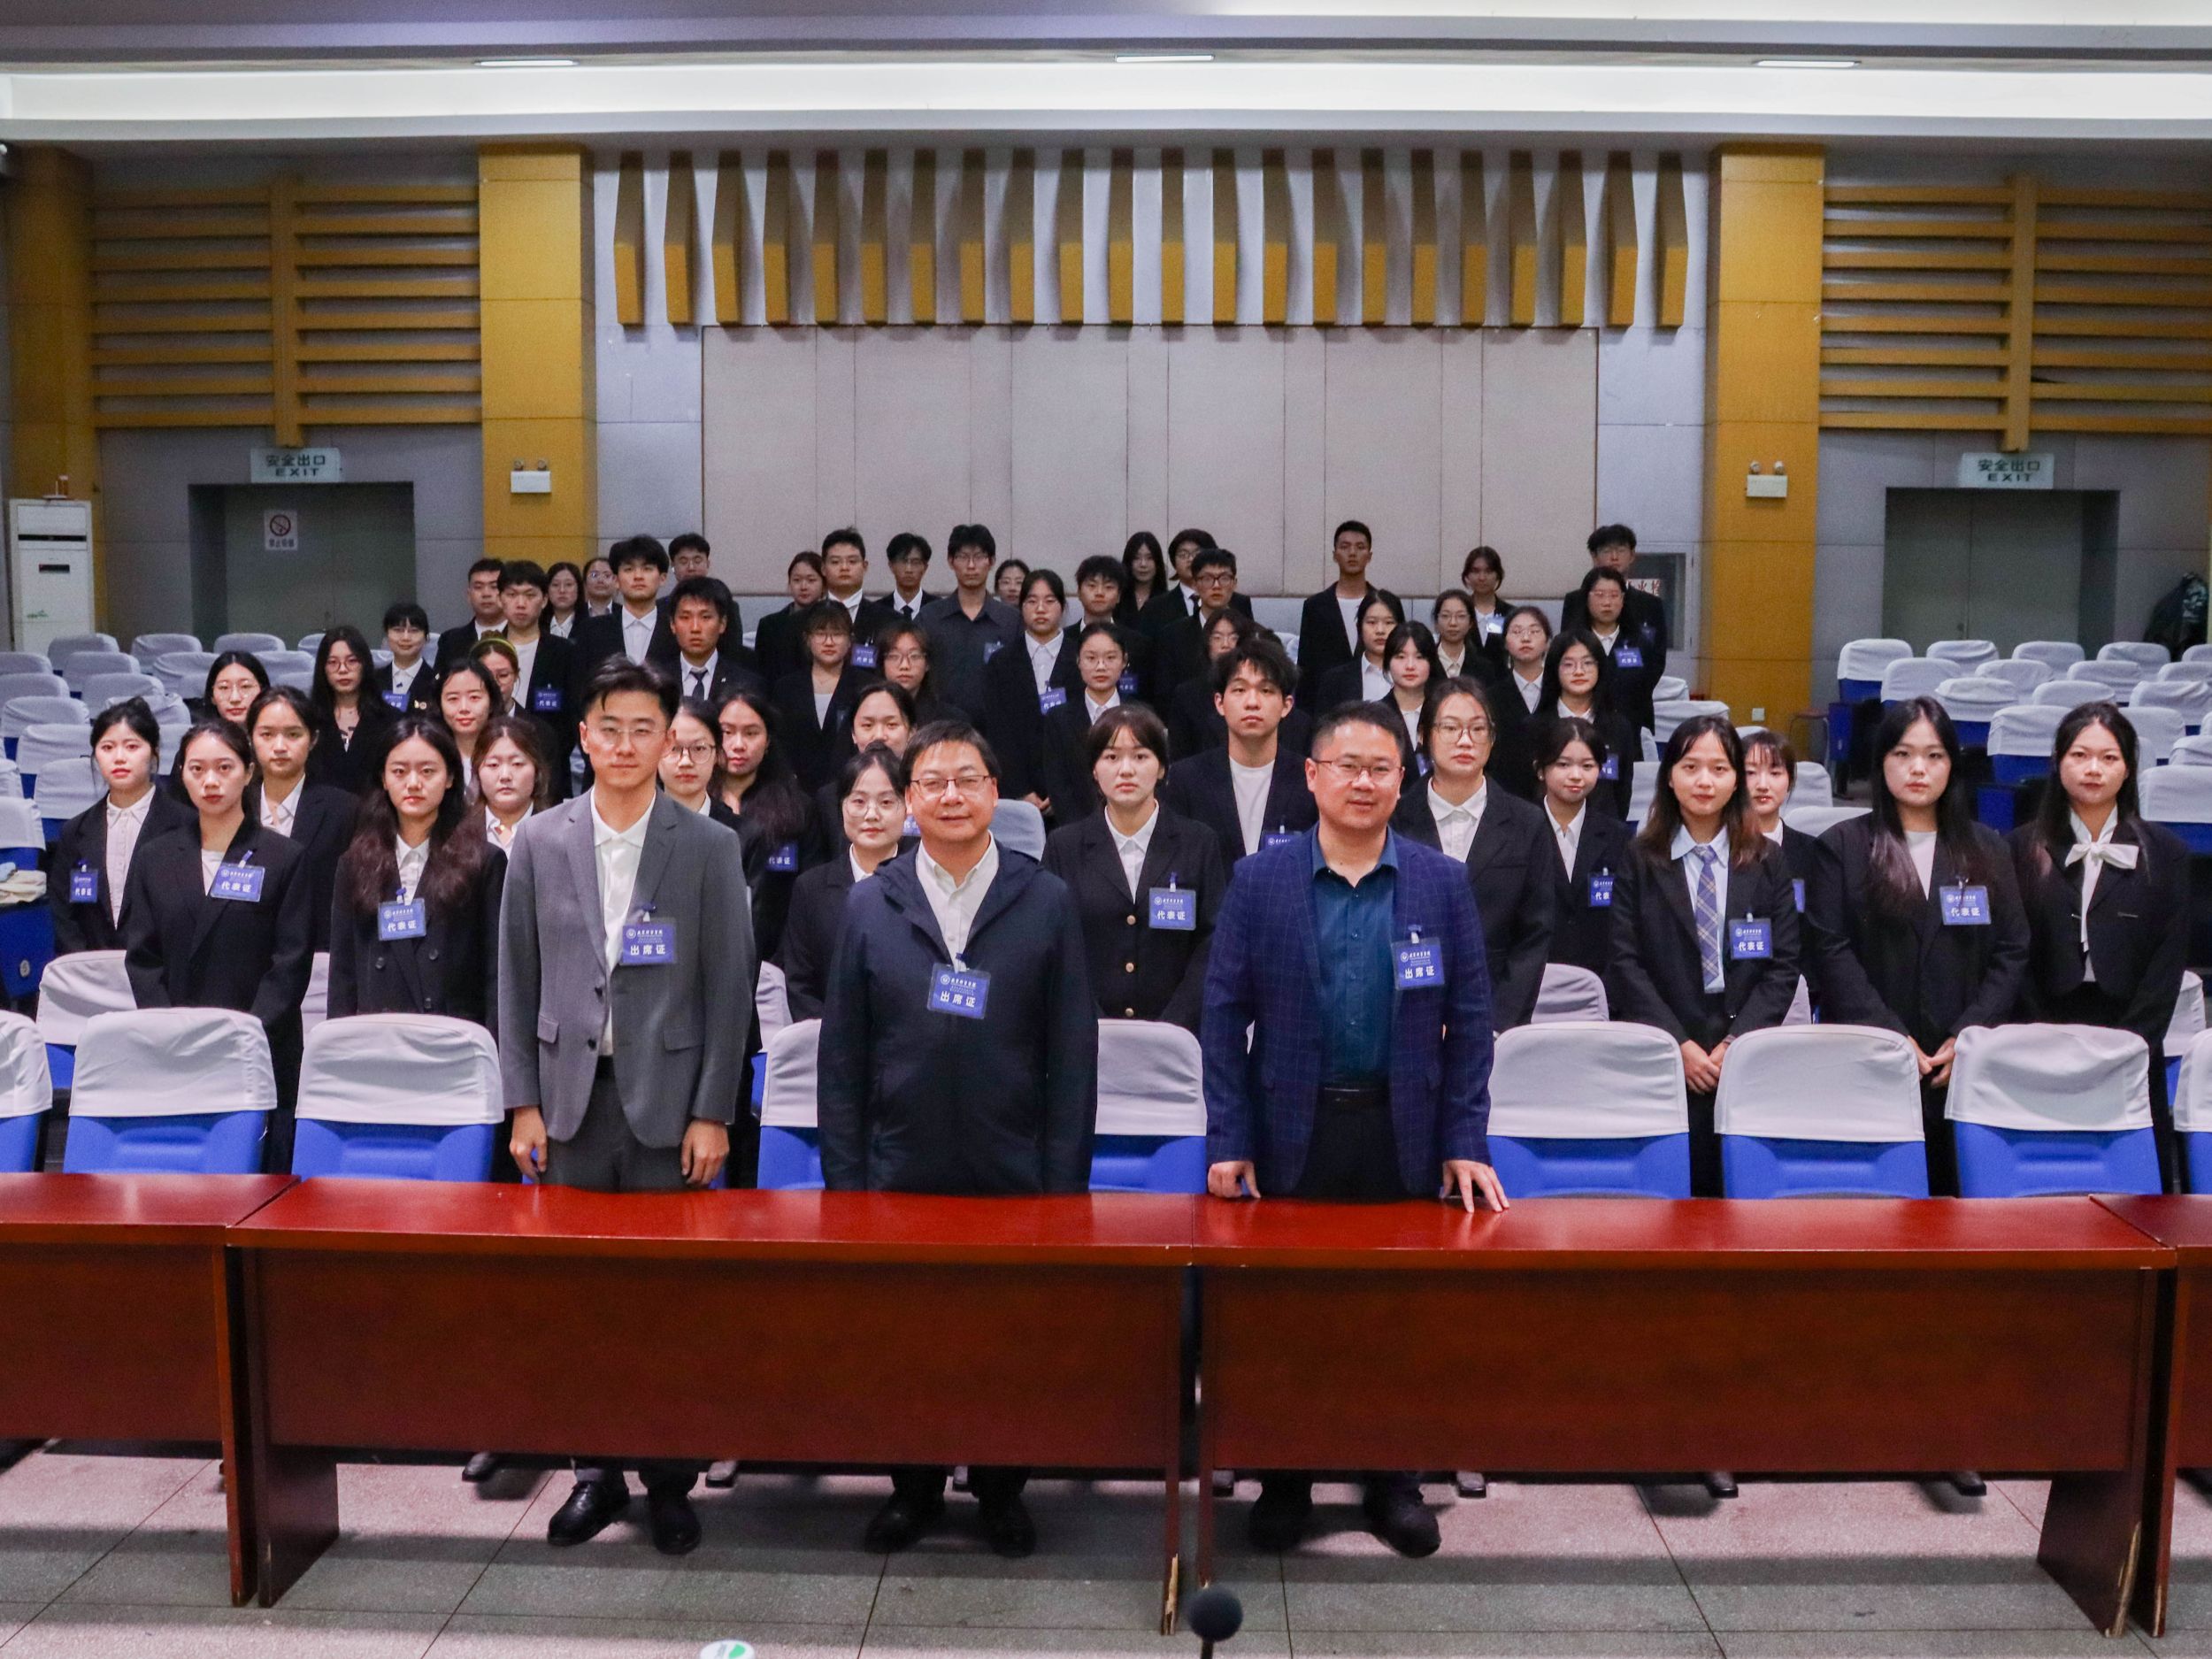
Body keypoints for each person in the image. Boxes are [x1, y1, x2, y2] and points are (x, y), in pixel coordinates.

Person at [1201, 702, 1504, 1558]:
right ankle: (1284, 1479)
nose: (1363, 782)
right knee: (1285, 1314)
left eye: (1380, 768)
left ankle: (1394, 1479)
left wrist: (1464, 1139)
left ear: (1401, 781)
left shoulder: (1440, 881)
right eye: (1347, 766)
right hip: (1288, 1130)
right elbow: (1221, 1017)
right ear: (1312, 776)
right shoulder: (1261, 879)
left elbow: (1470, 1022)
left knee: (1395, 1314)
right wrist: (1229, 1137)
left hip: (1400, 1129)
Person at [818, 718, 1098, 1559]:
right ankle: (912, 1487)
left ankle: (1003, 1488)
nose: (950, 796)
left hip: (1014, 1167)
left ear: (995, 793)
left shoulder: (1044, 899)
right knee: (905, 1338)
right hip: (900, 1165)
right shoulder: (872, 901)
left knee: (1008, 1338)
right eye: (933, 782)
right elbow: (843, 1055)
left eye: (968, 780)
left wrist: (1063, 1185)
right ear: (909, 800)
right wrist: (847, 1184)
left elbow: (1072, 1053)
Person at [500, 659, 753, 1558]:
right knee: (581, 1300)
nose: (626, 744)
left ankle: (670, 1479)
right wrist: (522, 1101)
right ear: (584, 736)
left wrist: (714, 1110)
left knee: (669, 1302)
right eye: (610, 727)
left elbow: (729, 987)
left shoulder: (708, 844)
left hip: (670, 1110)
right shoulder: (539, 840)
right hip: (569, 1107)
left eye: (646, 728)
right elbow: (515, 978)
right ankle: (595, 1472)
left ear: (668, 739)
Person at [1807, 697, 2029, 1194]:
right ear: (1881, 761)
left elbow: (2013, 949)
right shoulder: (1841, 847)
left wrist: (1969, 1034)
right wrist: (1888, 1035)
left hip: (1963, 1061)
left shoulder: (1989, 848)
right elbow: (1831, 950)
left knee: (1960, 1203)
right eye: (1903, 754)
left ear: (1952, 765)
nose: (1918, 769)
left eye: (1934, 756)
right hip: (1869, 1057)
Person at [1607, 714, 1801, 1196]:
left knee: (1739, 1191)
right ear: (1670, 777)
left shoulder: (1767, 858)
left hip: (1744, 1046)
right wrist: (1678, 1043)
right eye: (1690, 767)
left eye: (1719, 768)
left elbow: (1783, 965)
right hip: (1667, 1042)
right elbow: (1624, 961)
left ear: (1736, 779)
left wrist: (1737, 1043)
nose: (1704, 781)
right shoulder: (1639, 857)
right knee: (1671, 1191)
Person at [2010, 702, 2191, 1184]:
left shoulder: (2167, 853)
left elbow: (2167, 963)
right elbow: (2013, 950)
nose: (2094, 769)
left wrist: (2133, 1042)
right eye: (2080, 755)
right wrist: (2038, 1033)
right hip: (2041, 1027)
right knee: (2046, 1175)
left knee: (2133, 1182)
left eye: (2109, 758)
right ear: (2058, 762)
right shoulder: (2018, 848)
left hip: (2130, 1034)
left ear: (2129, 768)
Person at [123, 719, 314, 1170]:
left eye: (224, 767)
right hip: (177, 1048)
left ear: (248, 772)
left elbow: (291, 961)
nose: (210, 781)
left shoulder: (283, 857)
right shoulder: (154, 857)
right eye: (197, 769)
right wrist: (173, 1030)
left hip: (261, 1047)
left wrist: (245, 1034)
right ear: (181, 775)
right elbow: (142, 959)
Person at [1043, 704, 1224, 1031]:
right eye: (1111, 757)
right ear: (1094, 769)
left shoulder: (1198, 843)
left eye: (1140, 756)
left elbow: (1211, 943)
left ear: (1162, 768)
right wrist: (1094, 1025)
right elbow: (1055, 943)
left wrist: (1173, 1026)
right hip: (1089, 1034)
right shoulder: (1063, 846)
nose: (1126, 770)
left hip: (1178, 1036)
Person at [1391, 679, 1553, 1029]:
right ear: (1424, 735)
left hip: (1494, 1015)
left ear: (1492, 740)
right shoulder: (1394, 819)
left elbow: (1534, 935)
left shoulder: (1528, 824)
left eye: (1478, 729)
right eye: (1450, 728)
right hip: (1405, 1011)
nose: (1465, 740)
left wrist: (1495, 1023)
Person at [327, 715, 504, 1025]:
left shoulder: (484, 861)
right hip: (376, 1035)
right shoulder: (355, 863)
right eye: (399, 771)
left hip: (453, 1036)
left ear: (450, 777)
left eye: (427, 771)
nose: (413, 783)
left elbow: (496, 973)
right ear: (383, 778)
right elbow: (343, 975)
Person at [51, 698, 192, 955]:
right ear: (95, 757)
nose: (119, 758)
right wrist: (86, 967)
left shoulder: (186, 824)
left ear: (154, 753)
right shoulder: (75, 831)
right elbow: (64, 914)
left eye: (132, 746)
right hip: (89, 968)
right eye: (107, 747)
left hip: (163, 968)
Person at [1163, 636, 1318, 868]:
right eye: (1239, 689)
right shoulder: (1186, 779)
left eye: (1266, 690)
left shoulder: (1311, 779)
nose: (1252, 702)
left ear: (1287, 705)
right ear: (1219, 703)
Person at [780, 744, 907, 1020]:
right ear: (842, 807)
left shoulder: (924, 882)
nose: (871, 814)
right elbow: (800, 984)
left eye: (886, 802)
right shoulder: (810, 888)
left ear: (907, 807)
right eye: (859, 802)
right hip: (827, 1035)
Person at [245, 686, 356, 955]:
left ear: (313, 739)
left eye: (293, 734)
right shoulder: (233, 806)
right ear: (250, 738)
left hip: (320, 954)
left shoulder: (345, 810)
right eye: (267, 735)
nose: (279, 747)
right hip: (244, 954)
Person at [715, 687, 818, 964]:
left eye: (751, 733)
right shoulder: (695, 803)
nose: (738, 744)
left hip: (775, 962)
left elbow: (808, 896)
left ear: (768, 740)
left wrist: (780, 963)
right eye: (726, 732)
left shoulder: (797, 809)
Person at [1538, 716, 1633, 979]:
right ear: (1541, 769)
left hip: (1601, 977)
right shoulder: (1520, 832)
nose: (1576, 775)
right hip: (1535, 977)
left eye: (1587, 766)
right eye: (1563, 764)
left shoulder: (1619, 838)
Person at [982, 567, 1079, 808]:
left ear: (1063, 607)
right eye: (1032, 601)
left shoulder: (1081, 658)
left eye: (1049, 601)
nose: (1041, 609)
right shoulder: (1001, 662)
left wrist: (1063, 791)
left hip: (1073, 791)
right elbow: (998, 732)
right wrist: (1021, 791)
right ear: (1021, 606)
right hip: (1016, 792)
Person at [918, 525, 1020, 722]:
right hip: (940, 727)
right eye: (963, 557)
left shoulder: (1011, 620)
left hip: (996, 727)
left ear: (992, 561)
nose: (971, 566)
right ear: (951, 561)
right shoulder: (929, 618)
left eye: (979, 557)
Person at [1037, 622, 1135, 820]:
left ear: (1124, 661)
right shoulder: (1059, 719)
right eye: (1091, 658)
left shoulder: (1139, 716)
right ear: (1078, 661)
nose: (1101, 666)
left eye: (1110, 658)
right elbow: (1058, 784)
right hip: (1075, 826)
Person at [1537, 628, 1636, 819]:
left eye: (1588, 663)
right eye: (1568, 664)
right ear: (1554, 669)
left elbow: (1622, 794)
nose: (1579, 671)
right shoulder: (1534, 727)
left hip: (1605, 830)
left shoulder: (1619, 728)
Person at [497, 559, 579, 793]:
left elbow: (572, 716)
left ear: (544, 600)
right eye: (512, 595)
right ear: (500, 599)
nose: (521, 603)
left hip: (550, 769)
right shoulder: (487, 650)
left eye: (530, 595)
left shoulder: (565, 652)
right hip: (494, 764)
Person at [771, 599, 867, 791]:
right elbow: (777, 742)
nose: (829, 642)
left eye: (837, 634)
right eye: (821, 634)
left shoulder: (866, 687)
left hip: (851, 786)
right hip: (794, 790)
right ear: (807, 639)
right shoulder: (785, 688)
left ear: (850, 640)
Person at [1295, 519, 1400, 688]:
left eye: (1360, 547)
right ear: (1334, 555)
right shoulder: (1315, 606)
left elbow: (1399, 653)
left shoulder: (1387, 605)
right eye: (1345, 547)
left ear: (1369, 556)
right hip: (1327, 697)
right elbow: (1306, 667)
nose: (1352, 553)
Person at [814, 682, 916, 847]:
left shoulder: (926, 792)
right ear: (853, 734)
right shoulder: (829, 799)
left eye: (891, 725)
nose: (879, 735)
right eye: (867, 725)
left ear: (911, 732)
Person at [306, 625, 395, 795]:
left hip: (376, 808)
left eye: (352, 661)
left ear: (365, 664)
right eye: (333, 663)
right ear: (322, 668)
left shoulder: (390, 718)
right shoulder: (308, 719)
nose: (342, 670)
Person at [651, 574, 762, 706]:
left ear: (722, 624)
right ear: (672, 624)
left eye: (705, 617)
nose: (695, 628)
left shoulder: (747, 684)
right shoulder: (655, 682)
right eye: (685, 617)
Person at [573, 535, 676, 676]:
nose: (638, 576)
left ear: (662, 578)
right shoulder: (591, 631)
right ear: (616, 580)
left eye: (647, 569)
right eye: (629, 569)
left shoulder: (676, 631)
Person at [1579, 565, 1663, 735]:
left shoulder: (1640, 644)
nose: (1607, 603)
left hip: (1630, 729)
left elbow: (1649, 681)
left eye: (1614, 595)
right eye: (1600, 595)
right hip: (1582, 730)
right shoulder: (1572, 643)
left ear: (1623, 599)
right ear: (1586, 597)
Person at [1561, 523, 1669, 655]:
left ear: (1632, 555)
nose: (1614, 557)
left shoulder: (1651, 604)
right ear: (1594, 557)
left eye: (1621, 550)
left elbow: (1657, 655)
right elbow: (1566, 648)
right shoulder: (1576, 600)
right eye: (1607, 551)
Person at [1166, 609, 1259, 760]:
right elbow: (1179, 753)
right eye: (1217, 638)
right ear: (1207, 643)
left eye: (1233, 638)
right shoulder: (1187, 694)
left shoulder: (1256, 692)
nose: (1225, 645)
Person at [1742, 728, 1819, 904]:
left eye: (1775, 773)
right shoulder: (1716, 849)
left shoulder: (1813, 851)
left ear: (1790, 781)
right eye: (1750, 773)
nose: (1763, 785)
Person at [1314, 590, 1405, 713]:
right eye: (1372, 622)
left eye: (1389, 622)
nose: (1380, 630)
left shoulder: (1415, 675)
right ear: (1359, 627)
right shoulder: (1334, 681)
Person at [753, 550, 827, 688]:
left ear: (824, 585)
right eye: (797, 580)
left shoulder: (833, 622)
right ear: (789, 584)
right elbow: (761, 672)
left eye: (811, 580)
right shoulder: (769, 625)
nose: (803, 587)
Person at [478, 712, 549, 854]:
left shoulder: (558, 832)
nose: (505, 776)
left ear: (537, 770)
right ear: (477, 770)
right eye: (493, 765)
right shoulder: (456, 833)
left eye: (517, 764)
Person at [659, 697, 734, 826]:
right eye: (674, 749)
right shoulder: (634, 828)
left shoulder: (742, 833)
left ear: (717, 754)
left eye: (699, 748)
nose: (685, 762)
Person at [1377, 619, 1442, 764]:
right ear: (1387, 663)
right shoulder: (1374, 717)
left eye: (1419, 657)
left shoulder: (1444, 712)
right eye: (1401, 657)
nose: (1410, 666)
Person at [820, 526, 895, 647]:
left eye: (852, 561)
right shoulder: (803, 620)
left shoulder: (891, 621)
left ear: (865, 567)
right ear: (823, 568)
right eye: (835, 562)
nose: (844, 568)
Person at [437, 657, 501, 793]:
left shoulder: (508, 751)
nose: (464, 708)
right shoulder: (431, 754)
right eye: (453, 699)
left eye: (474, 697)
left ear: (491, 702)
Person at [875, 619, 953, 725]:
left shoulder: (949, 720)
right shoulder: (866, 711)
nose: (905, 666)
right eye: (894, 656)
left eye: (914, 656)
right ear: (882, 663)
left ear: (927, 664)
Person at [435, 557, 508, 668]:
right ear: (469, 595)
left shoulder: (521, 636)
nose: (486, 594)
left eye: (494, 587)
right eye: (478, 587)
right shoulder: (450, 640)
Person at [374, 603, 434, 714]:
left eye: (414, 631)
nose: (405, 638)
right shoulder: (373, 681)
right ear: (387, 635)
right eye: (398, 630)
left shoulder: (437, 681)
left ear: (426, 637)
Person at [1462, 545, 1510, 672]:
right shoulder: (1459, 612)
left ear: (1498, 575)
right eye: (1475, 571)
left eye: (1488, 571)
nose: (1482, 578)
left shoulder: (1510, 614)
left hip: (1501, 679)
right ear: (1467, 576)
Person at [202, 649, 269, 729]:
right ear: (212, 697)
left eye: (245, 686)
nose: (235, 698)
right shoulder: (200, 736)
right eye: (224, 687)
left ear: (263, 691)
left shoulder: (279, 735)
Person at [880, 530, 935, 623]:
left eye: (915, 562)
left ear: (925, 568)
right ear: (891, 566)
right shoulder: (878, 610)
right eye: (903, 561)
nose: (909, 569)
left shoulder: (938, 610)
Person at [1118, 531, 1166, 626]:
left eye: (1149, 558)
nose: (1143, 564)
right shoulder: (1116, 599)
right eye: (1136, 558)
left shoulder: (1169, 602)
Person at [1431, 589, 1479, 683]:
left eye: (1461, 616)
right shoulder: (1426, 663)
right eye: (1445, 616)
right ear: (1436, 622)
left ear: (1471, 622)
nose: (1453, 623)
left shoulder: (1484, 667)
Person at [472, 636, 521, 714]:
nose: (495, 684)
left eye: (503, 675)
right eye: (486, 675)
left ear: (516, 675)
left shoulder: (532, 722)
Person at [545, 560, 585, 639]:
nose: (562, 590)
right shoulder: (536, 625)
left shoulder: (590, 623)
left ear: (579, 589)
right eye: (555, 585)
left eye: (568, 584)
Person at [581, 554, 618, 618]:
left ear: (617, 582)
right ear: (585, 582)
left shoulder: (626, 614)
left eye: (607, 576)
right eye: (594, 575)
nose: (600, 580)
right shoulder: (574, 615)